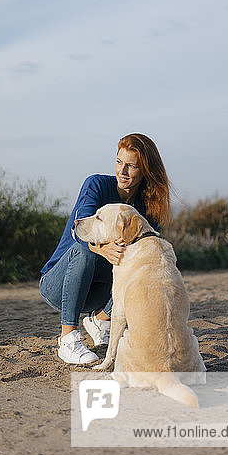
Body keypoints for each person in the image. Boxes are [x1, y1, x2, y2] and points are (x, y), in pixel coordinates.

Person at [39, 133, 172, 364]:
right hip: (59, 286)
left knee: (143, 262)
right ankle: (68, 338)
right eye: (119, 162)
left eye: (131, 166)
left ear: (145, 171)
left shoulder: (148, 205)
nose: (122, 171)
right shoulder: (97, 184)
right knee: (84, 251)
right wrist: (103, 249)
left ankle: (101, 320)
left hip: (99, 294)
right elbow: (78, 232)